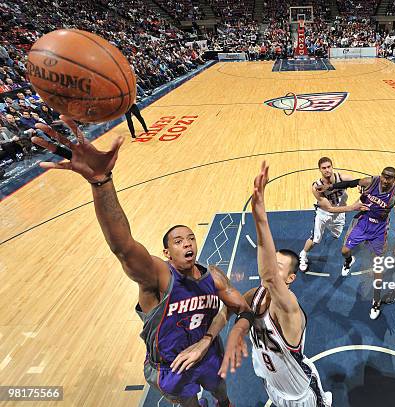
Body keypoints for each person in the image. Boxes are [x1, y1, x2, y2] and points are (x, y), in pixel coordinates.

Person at [32, 116, 253, 407]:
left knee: (223, 397)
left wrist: (208, 340)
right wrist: (101, 182)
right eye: (178, 241)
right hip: (170, 367)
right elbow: (122, 247)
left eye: (190, 238)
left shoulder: (213, 275)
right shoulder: (159, 276)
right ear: (166, 253)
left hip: (208, 354)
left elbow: (242, 309)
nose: (187, 243)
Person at [221, 161, 333, 406]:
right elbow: (230, 309)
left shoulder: (288, 307)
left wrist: (260, 214)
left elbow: (269, 275)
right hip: (272, 386)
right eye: (271, 262)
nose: (270, 267)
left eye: (278, 266)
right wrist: (213, 337)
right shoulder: (256, 295)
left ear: (291, 279)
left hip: (301, 394)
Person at [317, 167, 395, 320]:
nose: (385, 180)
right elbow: (350, 183)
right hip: (362, 221)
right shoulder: (371, 181)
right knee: (344, 251)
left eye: (389, 178)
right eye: (384, 176)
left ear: (394, 180)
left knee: (378, 270)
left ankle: (376, 301)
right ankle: (349, 260)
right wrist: (330, 187)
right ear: (381, 175)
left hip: (379, 229)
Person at [299, 157, 363, 272]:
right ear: (319, 170)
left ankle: (331, 230)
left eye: (329, 167)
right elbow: (329, 208)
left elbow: (359, 182)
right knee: (315, 239)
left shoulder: (343, 178)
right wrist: (352, 207)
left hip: (340, 214)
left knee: (336, 235)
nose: (327, 170)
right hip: (324, 214)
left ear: (332, 167)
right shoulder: (316, 187)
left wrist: (360, 186)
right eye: (324, 168)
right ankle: (303, 254)